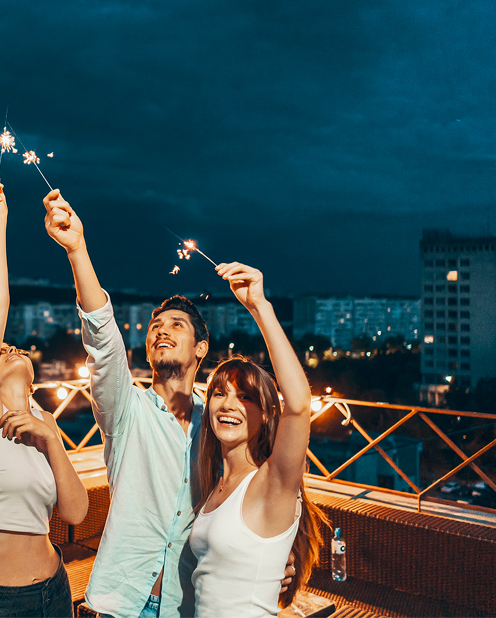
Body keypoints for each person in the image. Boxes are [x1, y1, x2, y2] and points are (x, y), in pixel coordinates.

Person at [42, 191, 293, 618]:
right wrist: (77, 250)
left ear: (200, 348)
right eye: (155, 326)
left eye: (176, 326)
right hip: (116, 604)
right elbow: (102, 341)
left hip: (186, 606)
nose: (161, 330)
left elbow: (264, 485)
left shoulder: (223, 424)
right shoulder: (125, 409)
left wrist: (271, 560)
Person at [0, 175, 89, 617]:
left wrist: (52, 438)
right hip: (2, 604)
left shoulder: (41, 420)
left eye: (13, 347)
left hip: (56, 587)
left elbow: (75, 512)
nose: (8, 347)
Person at [190, 263, 327, 617]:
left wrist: (259, 307)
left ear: (267, 413)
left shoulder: (271, 482)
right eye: (219, 393)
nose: (229, 404)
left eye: (245, 397)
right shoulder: (216, 483)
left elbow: (298, 406)